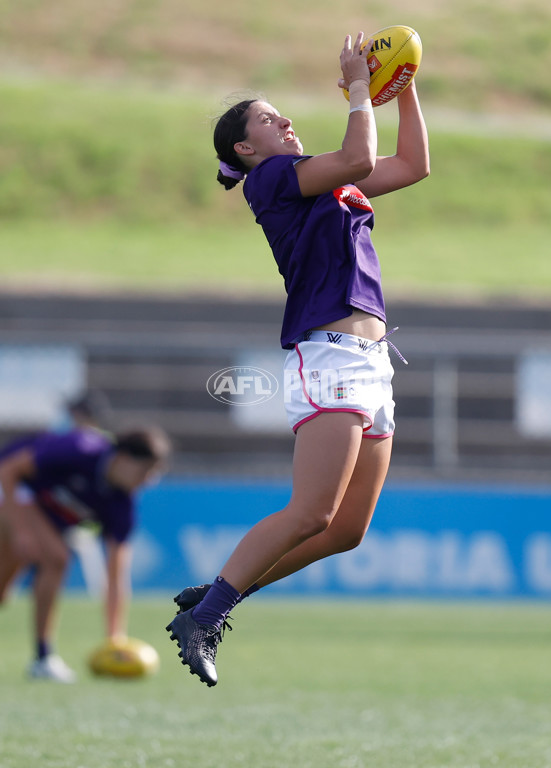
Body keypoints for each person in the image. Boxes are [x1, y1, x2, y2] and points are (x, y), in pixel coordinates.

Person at [166, 31, 430, 687]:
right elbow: (362, 152)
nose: (283, 119)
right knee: (311, 511)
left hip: (372, 364)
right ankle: (208, 613)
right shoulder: (273, 178)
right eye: (266, 117)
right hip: (330, 356)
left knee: (344, 531)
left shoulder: (322, 177)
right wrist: (359, 89)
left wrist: (405, 85)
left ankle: (219, 595)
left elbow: (412, 164)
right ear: (245, 149)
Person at [0, 425, 170, 682]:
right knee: (57, 558)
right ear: (123, 458)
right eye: (146, 470)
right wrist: (21, 530)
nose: (149, 480)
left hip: (33, 507)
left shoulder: (121, 503)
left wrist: (115, 640)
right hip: (10, 485)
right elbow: (9, 469)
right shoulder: (80, 450)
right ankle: (43, 658)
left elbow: (116, 574)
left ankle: (42, 658)